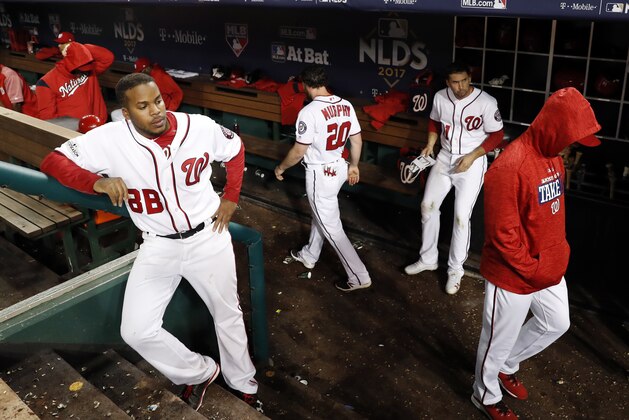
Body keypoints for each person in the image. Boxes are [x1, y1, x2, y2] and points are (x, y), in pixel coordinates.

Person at [39, 73, 262, 413]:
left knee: (227, 314)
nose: (156, 110)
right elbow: (53, 161)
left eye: (157, 100)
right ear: (126, 113)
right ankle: (199, 372)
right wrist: (94, 183)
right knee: (136, 330)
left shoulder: (198, 127)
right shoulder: (109, 139)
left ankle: (244, 384)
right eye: (143, 106)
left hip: (208, 237)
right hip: (158, 245)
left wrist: (230, 198)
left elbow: (235, 149)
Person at [471, 87, 601, 419]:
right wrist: (532, 268)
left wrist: (557, 254)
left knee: (557, 322)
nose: (570, 146)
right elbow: (502, 235)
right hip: (512, 274)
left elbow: (552, 213)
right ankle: (484, 395)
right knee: (495, 339)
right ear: (553, 127)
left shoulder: (554, 158)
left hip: (546, 266)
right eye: (569, 137)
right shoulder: (509, 166)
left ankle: (506, 365)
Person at [404, 61, 504, 295]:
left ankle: (455, 269)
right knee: (427, 207)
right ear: (448, 82)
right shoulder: (441, 96)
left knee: (461, 216)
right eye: (455, 82)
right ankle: (428, 258)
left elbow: (497, 134)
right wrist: (430, 143)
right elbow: (434, 120)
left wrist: (473, 156)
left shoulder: (486, 102)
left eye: (464, 81)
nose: (460, 86)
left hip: (472, 161)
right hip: (445, 156)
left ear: (470, 78)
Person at [274, 65, 371, 292]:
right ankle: (310, 255)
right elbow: (357, 141)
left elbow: (298, 151)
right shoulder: (345, 104)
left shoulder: (309, 112)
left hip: (320, 174)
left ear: (306, 85)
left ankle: (359, 276)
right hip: (340, 168)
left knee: (332, 227)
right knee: (322, 214)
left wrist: (280, 167)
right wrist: (354, 166)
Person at [35, 41, 114, 128]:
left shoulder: (90, 69)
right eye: (79, 68)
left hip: (99, 123)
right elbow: (48, 120)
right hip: (74, 132)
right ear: (68, 61)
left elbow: (108, 57)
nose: (83, 70)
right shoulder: (46, 83)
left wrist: (78, 48)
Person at [111, 57, 183, 121]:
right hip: (143, 108)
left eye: (141, 72)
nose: (139, 74)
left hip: (154, 112)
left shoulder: (161, 77)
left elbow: (178, 93)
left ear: (147, 68)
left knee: (124, 118)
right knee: (115, 114)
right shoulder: (144, 78)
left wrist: (169, 111)